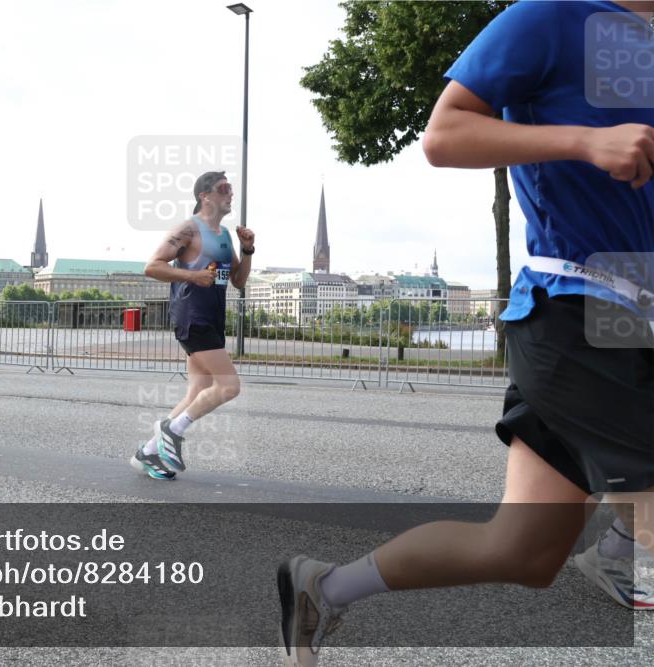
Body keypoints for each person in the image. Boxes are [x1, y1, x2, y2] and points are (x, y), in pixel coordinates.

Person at [278, 2, 654, 663]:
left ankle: (324, 586)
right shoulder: (550, 15)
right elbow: (443, 134)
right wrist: (583, 140)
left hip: (636, 321)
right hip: (576, 314)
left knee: (522, 549)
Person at [132, 171, 256, 479]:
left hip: (212, 317)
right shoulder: (188, 229)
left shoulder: (225, 235)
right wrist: (192, 276)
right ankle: (171, 430)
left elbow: (239, 282)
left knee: (198, 390)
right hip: (192, 315)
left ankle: (146, 453)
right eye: (223, 188)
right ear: (205, 195)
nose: (230, 194)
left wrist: (248, 249)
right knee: (229, 386)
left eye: (231, 188)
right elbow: (152, 266)